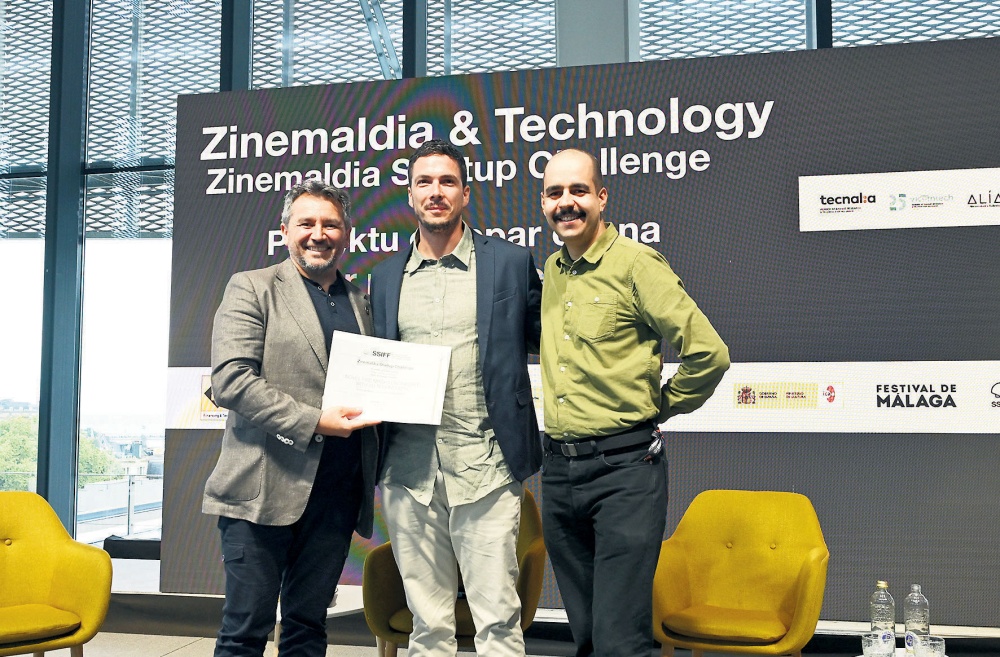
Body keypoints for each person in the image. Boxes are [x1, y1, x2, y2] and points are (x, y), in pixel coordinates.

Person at [537, 148, 730, 657]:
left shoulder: (636, 264)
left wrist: (659, 406)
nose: (566, 202)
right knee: (589, 637)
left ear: (602, 198)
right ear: (544, 204)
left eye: (578, 190)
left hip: (624, 471)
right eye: (555, 193)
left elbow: (709, 354)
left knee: (621, 642)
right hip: (558, 474)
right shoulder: (553, 271)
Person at [369, 139, 542, 657]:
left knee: (498, 623)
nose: (436, 192)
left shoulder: (510, 262)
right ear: (410, 195)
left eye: (447, 181)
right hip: (409, 473)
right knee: (428, 627)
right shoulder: (385, 277)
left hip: (486, 466)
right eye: (424, 182)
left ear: (466, 193)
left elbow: (554, 338)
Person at [203, 179, 381, 657]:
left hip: (336, 496)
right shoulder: (252, 287)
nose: (318, 234)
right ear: (285, 230)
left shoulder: (362, 301)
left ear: (347, 234)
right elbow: (231, 381)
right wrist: (315, 421)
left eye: (331, 224)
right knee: (245, 632)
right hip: (262, 491)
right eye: (307, 223)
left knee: (307, 627)